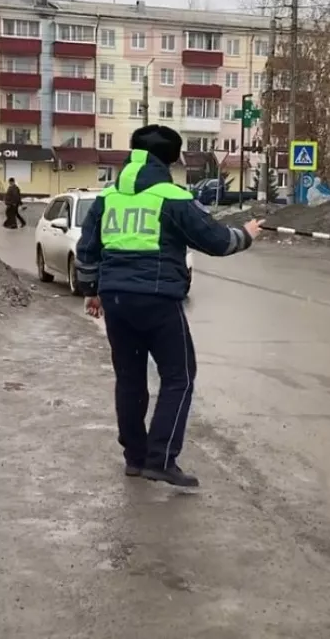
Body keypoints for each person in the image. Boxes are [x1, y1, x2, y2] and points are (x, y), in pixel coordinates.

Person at [75, 125, 264, 488]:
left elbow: (87, 248)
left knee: (129, 380)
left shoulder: (109, 197)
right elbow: (216, 241)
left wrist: (92, 290)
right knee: (179, 377)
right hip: (158, 299)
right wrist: (247, 234)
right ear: (172, 158)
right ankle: (160, 460)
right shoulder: (171, 196)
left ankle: (134, 458)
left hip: (115, 299)